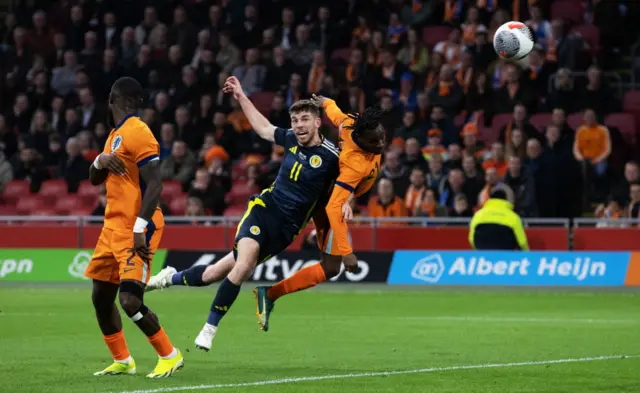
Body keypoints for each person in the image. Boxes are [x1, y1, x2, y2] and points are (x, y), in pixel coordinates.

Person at [148, 76, 340, 351]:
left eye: (304, 120)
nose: (298, 125)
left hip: (287, 229)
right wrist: (240, 95)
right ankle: (209, 328)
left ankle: (169, 277)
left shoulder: (332, 157)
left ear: (318, 122)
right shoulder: (288, 139)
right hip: (265, 210)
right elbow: (262, 127)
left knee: (213, 273)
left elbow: (348, 182)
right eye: (295, 120)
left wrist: (347, 202)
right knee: (246, 263)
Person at [253, 94, 386, 331]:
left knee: (330, 268)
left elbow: (332, 109)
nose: (381, 143)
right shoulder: (354, 163)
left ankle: (269, 293)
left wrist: (324, 101)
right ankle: (268, 292)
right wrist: (348, 252)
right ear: (363, 141)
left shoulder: (350, 123)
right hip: (326, 198)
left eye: (382, 136)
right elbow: (333, 206)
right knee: (333, 266)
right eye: (375, 141)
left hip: (336, 191)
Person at [83, 77, 183, 378]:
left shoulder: (138, 131)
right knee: (101, 298)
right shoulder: (115, 134)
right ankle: (123, 360)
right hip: (111, 226)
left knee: (129, 299)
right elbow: (95, 179)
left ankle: (169, 354)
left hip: (136, 225)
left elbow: (156, 183)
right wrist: (100, 161)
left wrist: (140, 226)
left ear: (112, 98)